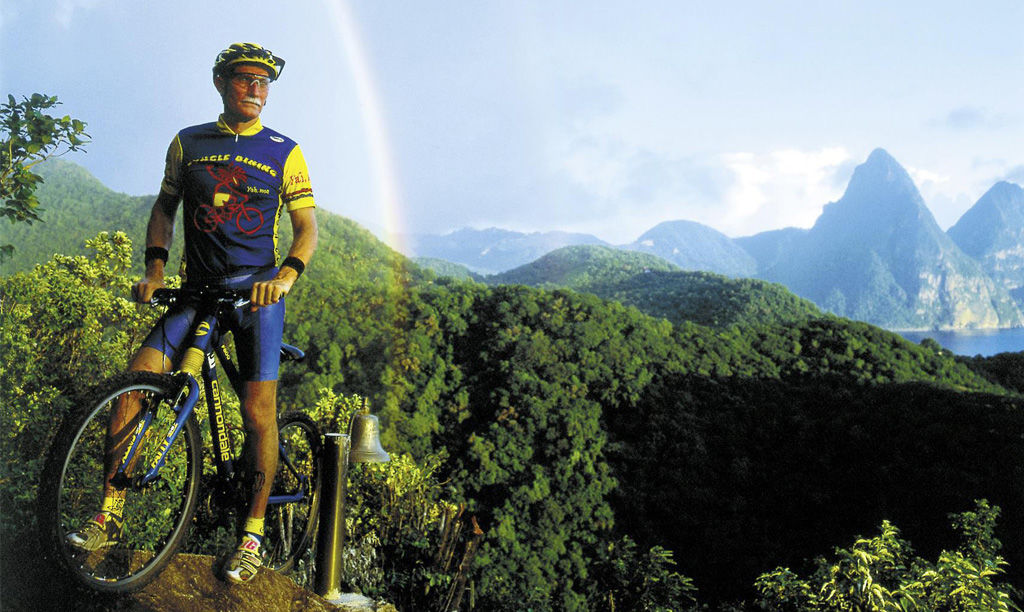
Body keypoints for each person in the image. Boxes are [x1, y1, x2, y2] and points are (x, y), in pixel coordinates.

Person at [65, 42, 319, 585]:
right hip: (197, 292)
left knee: (257, 412)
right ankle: (108, 514)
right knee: (136, 382)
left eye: (264, 82)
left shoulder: (285, 151)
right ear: (221, 82)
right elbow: (164, 206)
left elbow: (306, 228)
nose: (256, 89)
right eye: (245, 79)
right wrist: (155, 270)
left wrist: (284, 279)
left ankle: (251, 535)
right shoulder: (188, 142)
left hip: (256, 298)